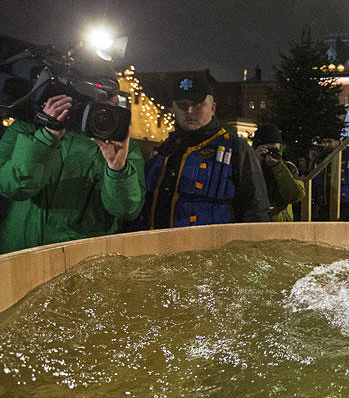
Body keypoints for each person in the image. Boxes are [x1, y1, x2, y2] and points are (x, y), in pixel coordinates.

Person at [0, 60, 145, 253]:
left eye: (110, 102)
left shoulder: (121, 146)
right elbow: (13, 188)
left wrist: (117, 169)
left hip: (81, 259)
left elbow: (127, 210)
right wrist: (48, 135)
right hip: (21, 253)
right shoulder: (27, 127)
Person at [142, 76, 269, 229]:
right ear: (173, 107)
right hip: (158, 242)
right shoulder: (164, 150)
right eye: (182, 105)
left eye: (197, 104)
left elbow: (256, 210)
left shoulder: (236, 149)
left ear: (213, 108)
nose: (189, 110)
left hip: (214, 243)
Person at [252, 123, 305, 221]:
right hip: (254, 221)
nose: (270, 154)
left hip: (280, 224)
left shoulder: (288, 168)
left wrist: (277, 166)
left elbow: (296, 196)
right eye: (266, 150)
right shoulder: (248, 167)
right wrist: (254, 163)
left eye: (275, 150)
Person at [312, 136, 349, 221]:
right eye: (324, 142)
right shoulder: (320, 159)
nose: (326, 145)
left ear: (338, 142)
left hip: (345, 205)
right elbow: (314, 181)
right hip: (324, 204)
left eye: (329, 141)